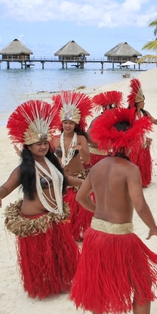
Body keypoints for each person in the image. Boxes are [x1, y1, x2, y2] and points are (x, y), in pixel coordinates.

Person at [70, 107, 157, 314]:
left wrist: (98, 212)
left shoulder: (97, 167)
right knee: (142, 284)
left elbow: (81, 198)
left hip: (95, 235)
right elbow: (139, 204)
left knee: (98, 282)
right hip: (120, 237)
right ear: (131, 141)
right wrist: (153, 227)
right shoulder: (130, 169)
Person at [0, 100, 81, 299]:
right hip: (34, 222)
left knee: (60, 254)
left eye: (45, 143)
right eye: (38, 143)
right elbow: (6, 187)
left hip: (53, 216)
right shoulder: (24, 169)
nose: (43, 146)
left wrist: (86, 183)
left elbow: (65, 180)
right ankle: (46, 286)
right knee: (40, 261)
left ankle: (61, 282)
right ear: (28, 147)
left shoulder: (51, 163)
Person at [51, 90, 94, 241]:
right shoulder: (56, 140)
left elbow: (87, 159)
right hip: (63, 179)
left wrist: (81, 150)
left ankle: (79, 233)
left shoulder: (81, 138)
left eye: (70, 123)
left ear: (76, 124)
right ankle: (70, 234)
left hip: (78, 177)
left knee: (79, 209)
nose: (67, 125)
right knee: (66, 209)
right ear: (61, 124)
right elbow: (49, 159)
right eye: (65, 122)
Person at [127, 79, 157, 187]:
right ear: (137, 102)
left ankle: (142, 181)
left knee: (143, 161)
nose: (144, 103)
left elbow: (154, 122)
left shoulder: (145, 113)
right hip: (133, 141)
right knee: (134, 161)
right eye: (142, 102)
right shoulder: (129, 114)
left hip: (143, 139)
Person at [88, 91, 123, 167]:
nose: (117, 110)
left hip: (108, 155)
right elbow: (89, 139)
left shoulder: (116, 120)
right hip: (96, 156)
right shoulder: (97, 121)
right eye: (114, 109)